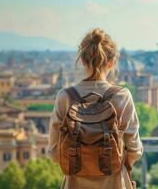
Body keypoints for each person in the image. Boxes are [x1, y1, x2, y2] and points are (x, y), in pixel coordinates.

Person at [47, 28, 143, 189]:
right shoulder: (122, 96)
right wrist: (117, 162)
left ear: (83, 61)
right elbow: (135, 149)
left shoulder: (64, 96)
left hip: (74, 183)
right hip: (115, 182)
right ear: (111, 63)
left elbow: (54, 153)